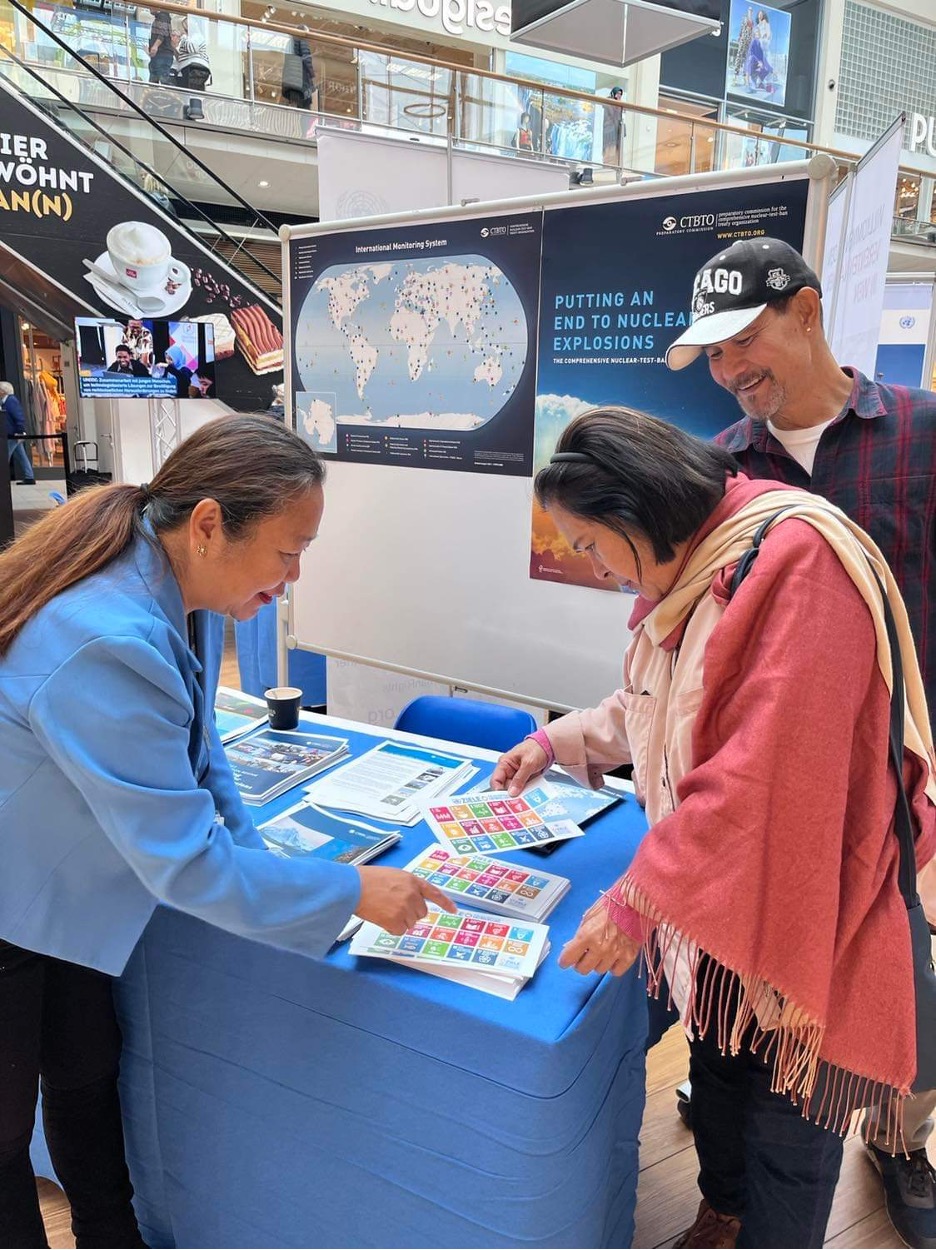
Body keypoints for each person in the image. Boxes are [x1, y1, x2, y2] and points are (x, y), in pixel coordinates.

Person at [0, 414, 452, 1248]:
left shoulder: (176, 583)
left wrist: (263, 865)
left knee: (85, 1074)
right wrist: (347, 887)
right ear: (208, 524)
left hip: (60, 889)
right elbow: (188, 869)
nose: (294, 576)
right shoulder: (104, 637)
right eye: (287, 551)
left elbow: (203, 761)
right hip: (11, 891)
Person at [491, 405, 936, 1249]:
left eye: (590, 544)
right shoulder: (705, 566)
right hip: (725, 899)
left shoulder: (795, 563)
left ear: (636, 513)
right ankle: (725, 1211)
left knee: (789, 1119)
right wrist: (558, 741)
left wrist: (636, 902)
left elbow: (757, 774)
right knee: (720, 1069)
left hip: (809, 901)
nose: (594, 567)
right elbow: (662, 706)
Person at [667, 235, 936, 1248]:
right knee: (731, 1031)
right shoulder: (722, 469)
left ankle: (899, 1147)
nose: (733, 371)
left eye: (745, 341)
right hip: (759, 814)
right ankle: (729, 1196)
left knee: (866, 1030)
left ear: (809, 310)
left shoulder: (922, 434)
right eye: (717, 357)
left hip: (890, 814)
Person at [2, 380, 35, 486]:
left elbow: (19, 416)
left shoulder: (11, 401)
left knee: (4, 455)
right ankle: (29, 476)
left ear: (3, 391)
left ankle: (2, 477)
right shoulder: (6, 401)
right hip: (13, 434)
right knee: (21, 455)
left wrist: (20, 431)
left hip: (14, 434)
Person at [281, 37, 316, 110]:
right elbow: (306, 58)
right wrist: (311, 73)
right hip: (300, 76)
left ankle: (294, 114)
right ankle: (303, 119)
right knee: (305, 100)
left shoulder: (289, 42)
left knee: (295, 98)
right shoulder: (303, 41)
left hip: (291, 78)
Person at [146, 10, 175, 85]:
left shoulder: (163, 16)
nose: (149, 9)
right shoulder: (161, 18)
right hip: (159, 55)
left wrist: (155, 46)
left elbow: (163, 32)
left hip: (162, 54)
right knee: (155, 80)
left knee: (163, 79)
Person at [602, 85, 626, 166]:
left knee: (617, 152)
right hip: (610, 130)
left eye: (620, 94)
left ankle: (615, 165)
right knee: (609, 150)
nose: (619, 96)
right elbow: (612, 115)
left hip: (617, 130)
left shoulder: (619, 104)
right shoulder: (609, 103)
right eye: (618, 93)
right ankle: (608, 165)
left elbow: (620, 116)